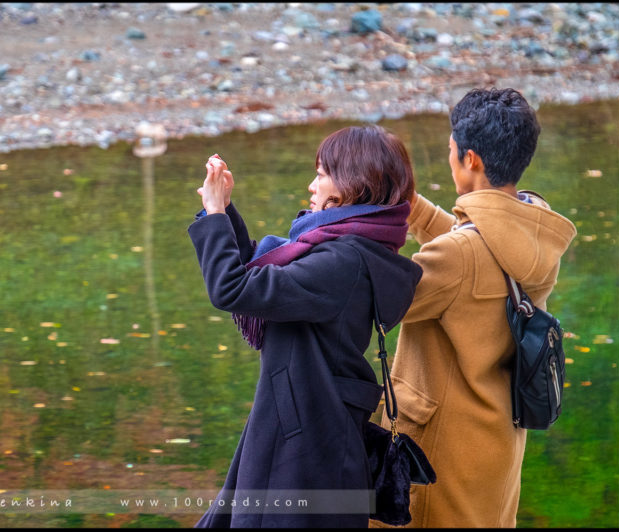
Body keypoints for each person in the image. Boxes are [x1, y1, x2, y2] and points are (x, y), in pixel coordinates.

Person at [187, 125, 423, 528]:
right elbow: (260, 282)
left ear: (351, 184)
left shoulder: (343, 262)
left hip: (304, 447)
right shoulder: (348, 250)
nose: (312, 185)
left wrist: (215, 215)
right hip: (308, 431)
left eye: (321, 173)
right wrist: (221, 211)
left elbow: (233, 288)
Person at [370, 88, 577, 528]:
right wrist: (411, 205)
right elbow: (479, 254)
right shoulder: (532, 233)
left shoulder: (458, 257)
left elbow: (376, 302)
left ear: (472, 160)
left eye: (450, 150)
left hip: (438, 452)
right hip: (495, 444)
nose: (449, 158)